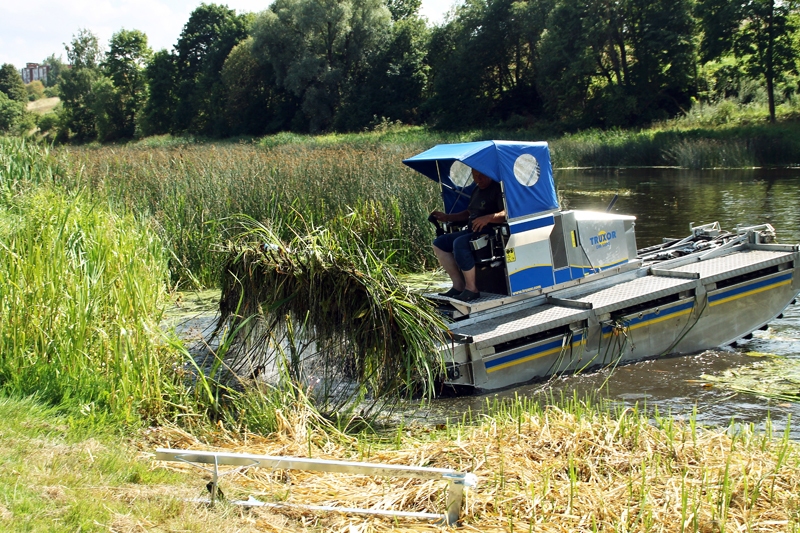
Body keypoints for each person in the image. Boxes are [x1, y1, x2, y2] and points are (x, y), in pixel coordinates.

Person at [431, 169, 506, 302]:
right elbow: (469, 213)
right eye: (475, 176)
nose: (478, 179)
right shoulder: (477, 190)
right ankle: (458, 285)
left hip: (490, 232)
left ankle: (472, 289)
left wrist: (488, 218)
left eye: (481, 175)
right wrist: (447, 217)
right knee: (440, 243)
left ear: (489, 174)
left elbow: (506, 213)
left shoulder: (497, 189)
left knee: (460, 243)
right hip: (472, 230)